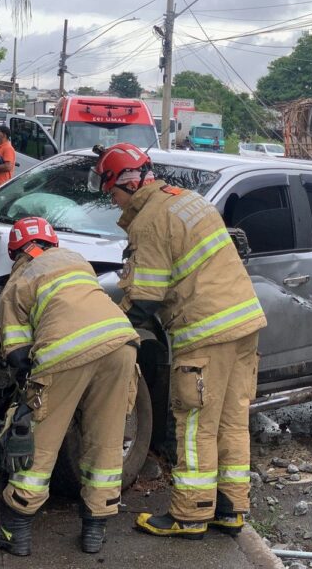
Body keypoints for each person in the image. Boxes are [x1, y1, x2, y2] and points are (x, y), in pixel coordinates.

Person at [93, 143, 267, 539]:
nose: (113, 201)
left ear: (129, 182)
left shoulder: (151, 220)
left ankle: (189, 514)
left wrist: (116, 331)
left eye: (113, 192)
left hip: (205, 331)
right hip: (244, 324)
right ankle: (230, 508)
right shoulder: (188, 201)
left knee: (194, 424)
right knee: (231, 421)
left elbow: (148, 294)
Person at [0, 217, 140, 556]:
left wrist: (27, 391)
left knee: (38, 439)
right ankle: (95, 530)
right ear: (51, 241)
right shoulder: (76, 261)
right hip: (121, 345)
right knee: (107, 437)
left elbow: (19, 355)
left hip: (66, 353)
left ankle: (14, 529)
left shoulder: (18, 279)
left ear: (15, 252)